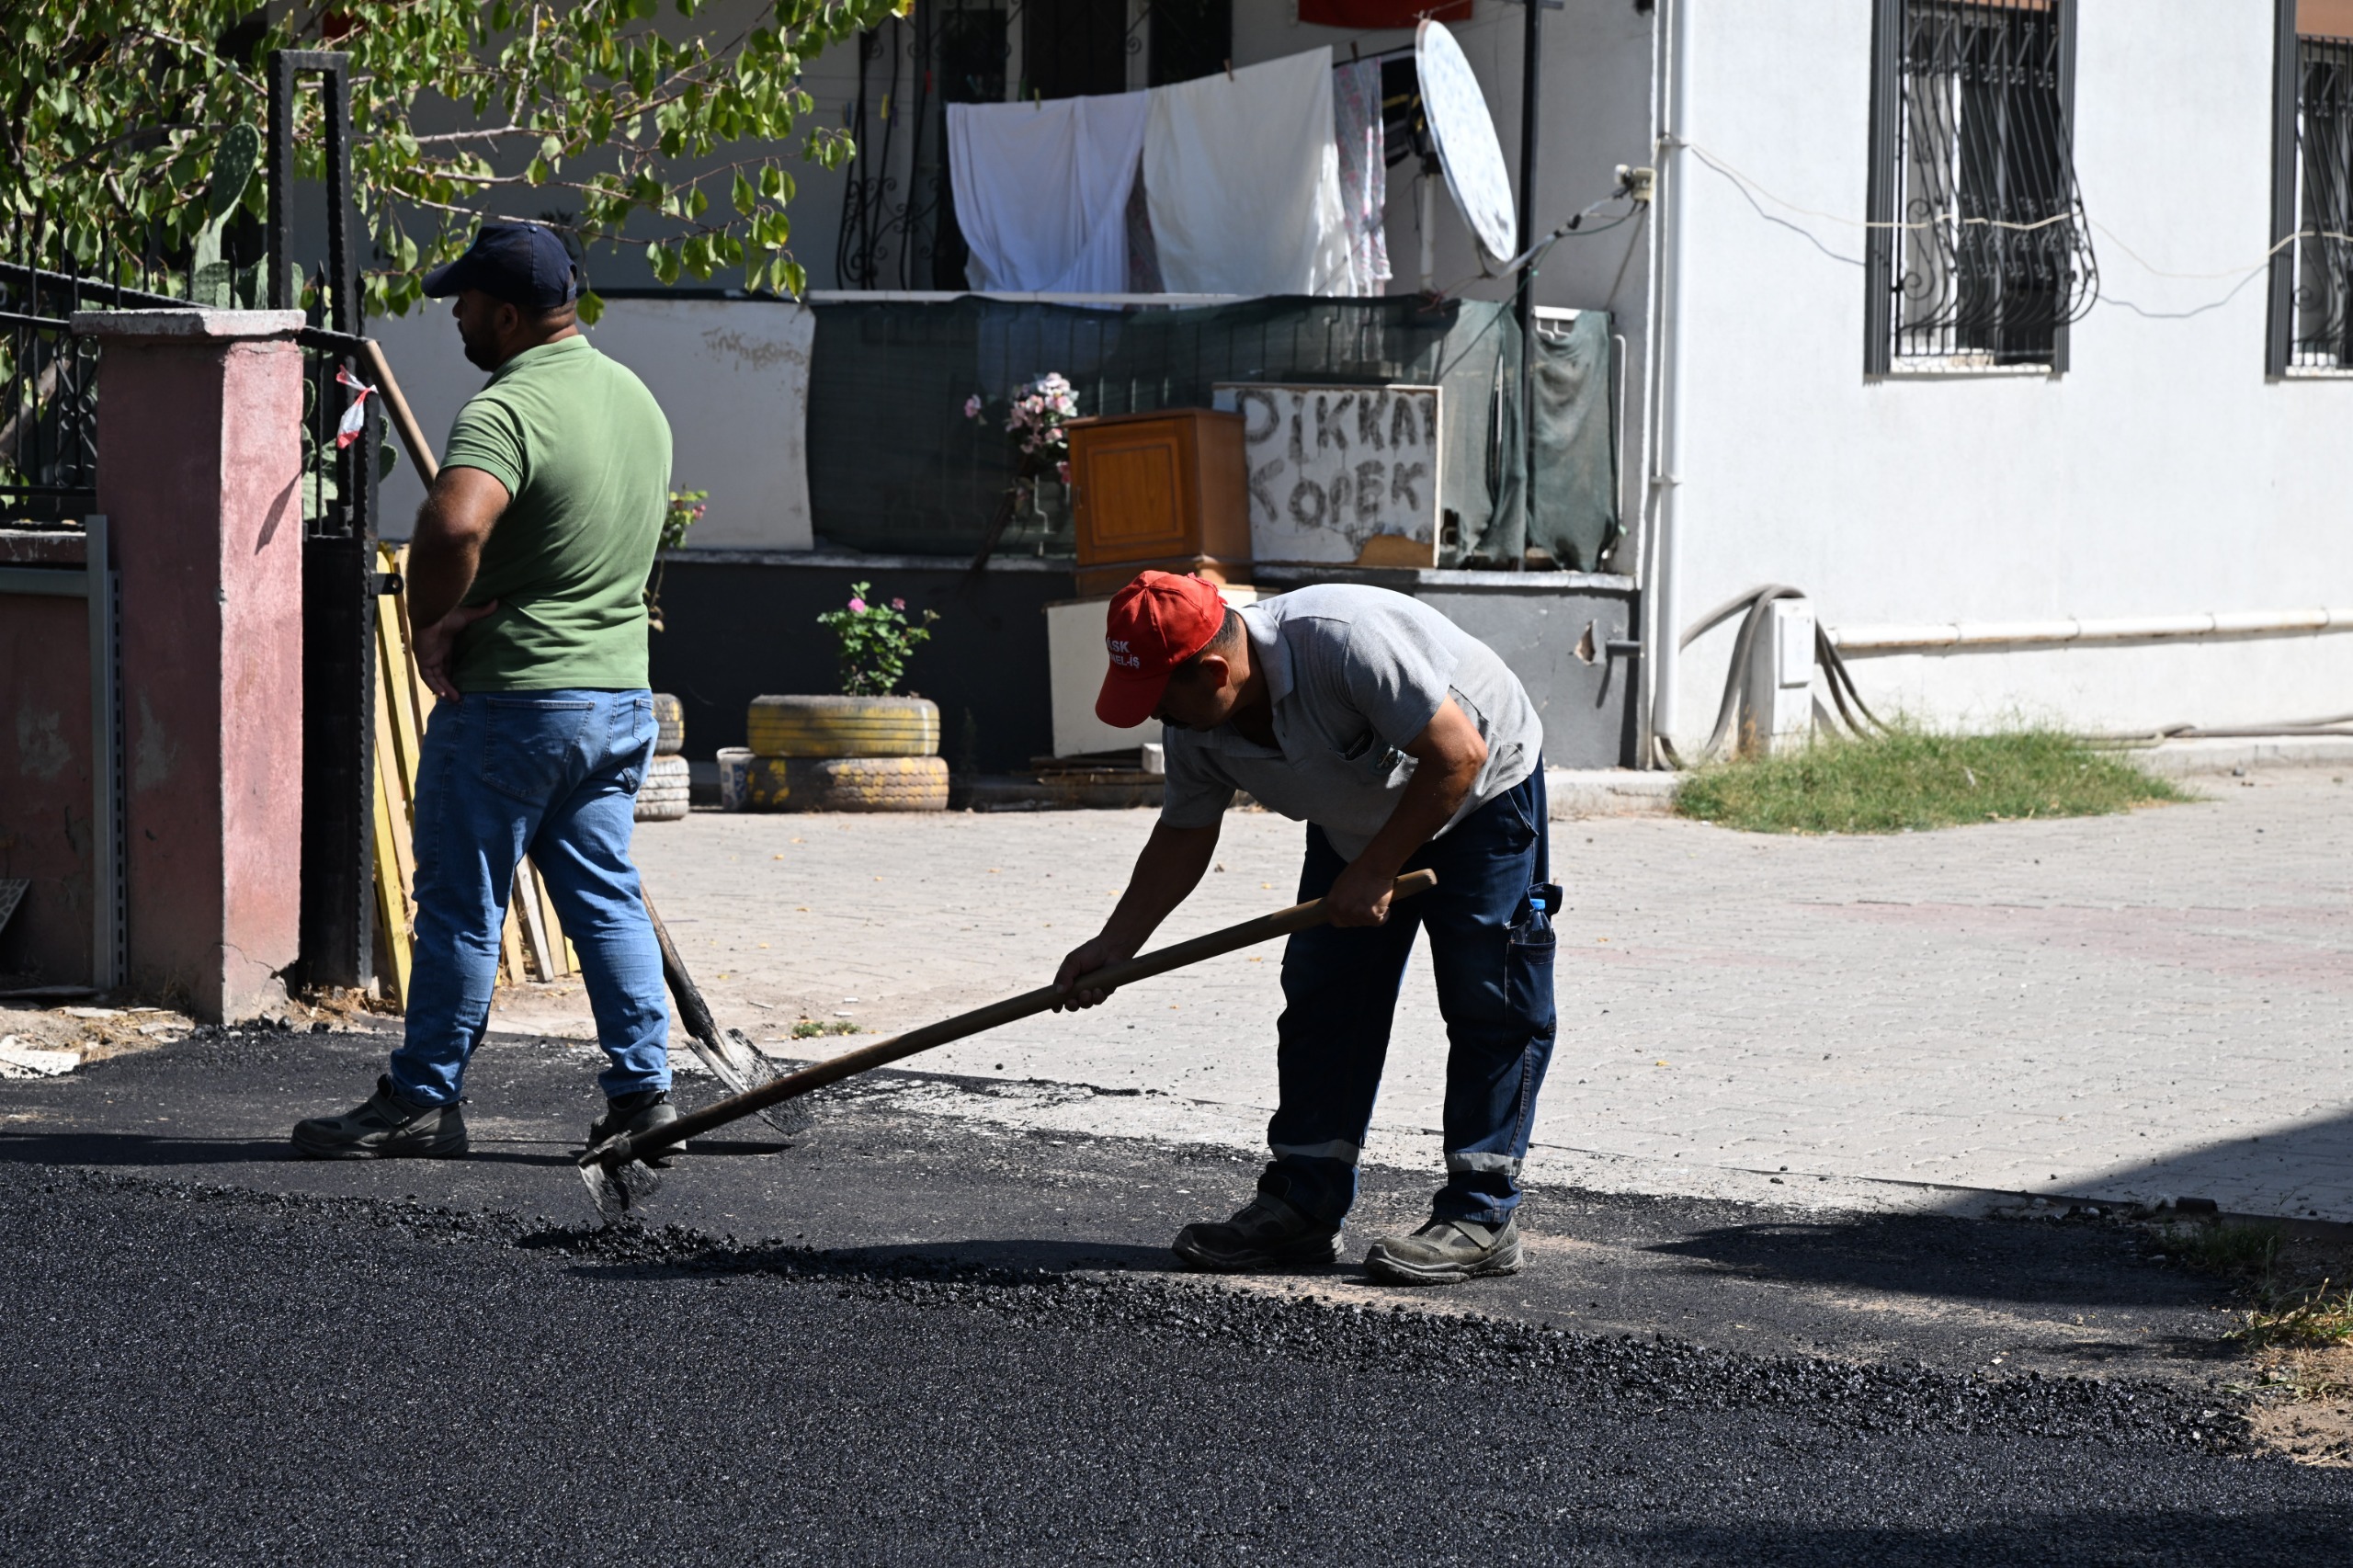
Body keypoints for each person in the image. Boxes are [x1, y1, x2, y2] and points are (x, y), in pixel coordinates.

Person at [292, 222, 680, 1162]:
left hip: (515, 701)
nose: (456, 313)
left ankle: (425, 1096)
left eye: (465, 300)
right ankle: (645, 1096)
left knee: (463, 905)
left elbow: (455, 519)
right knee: (606, 897)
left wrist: (433, 622)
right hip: (617, 697)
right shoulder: (636, 400)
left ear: (508, 314)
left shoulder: (506, 407)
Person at [1055, 571, 1559, 1285]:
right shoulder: (1196, 721)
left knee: (1492, 998)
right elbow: (1182, 836)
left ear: (1213, 670)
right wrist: (1114, 947)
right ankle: (1304, 1205)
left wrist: (1378, 870)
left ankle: (1480, 1214)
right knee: (1327, 997)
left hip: (1480, 793)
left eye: (1161, 698)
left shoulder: (1345, 641)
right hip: (1356, 820)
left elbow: (1459, 753)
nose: (1153, 718)